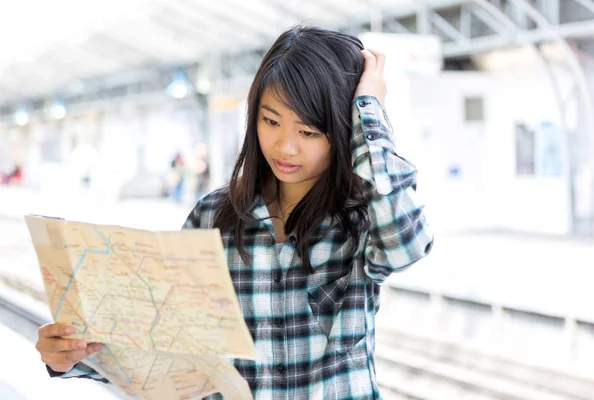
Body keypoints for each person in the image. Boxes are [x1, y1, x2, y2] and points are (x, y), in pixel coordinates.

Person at [34, 25, 434, 399]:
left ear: (343, 128)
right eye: (270, 121)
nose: (284, 146)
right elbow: (166, 348)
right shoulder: (213, 218)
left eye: (308, 132)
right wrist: (74, 357)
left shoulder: (363, 217)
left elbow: (408, 243)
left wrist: (368, 109)